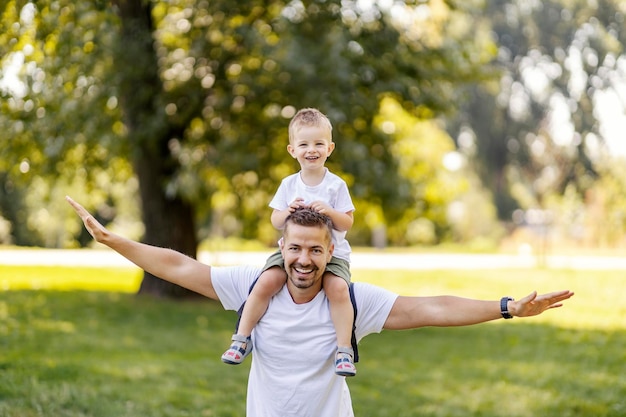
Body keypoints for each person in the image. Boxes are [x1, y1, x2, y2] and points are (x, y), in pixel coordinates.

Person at [66, 196, 574, 417]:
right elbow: (178, 267)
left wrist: (506, 306)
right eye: (294, 248)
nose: (303, 260)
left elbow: (430, 309)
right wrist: (114, 241)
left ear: (332, 252)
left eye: (315, 249)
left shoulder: (349, 300)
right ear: (280, 247)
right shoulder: (254, 286)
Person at [221, 108, 358, 377]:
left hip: (332, 254)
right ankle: (241, 338)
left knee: (339, 290)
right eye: (304, 144)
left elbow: (347, 223)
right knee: (265, 282)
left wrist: (330, 212)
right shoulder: (288, 184)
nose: (311, 150)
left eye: (319, 144)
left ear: (329, 148)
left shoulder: (336, 185)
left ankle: (344, 351)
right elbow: (275, 220)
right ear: (292, 150)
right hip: (291, 251)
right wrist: (287, 211)